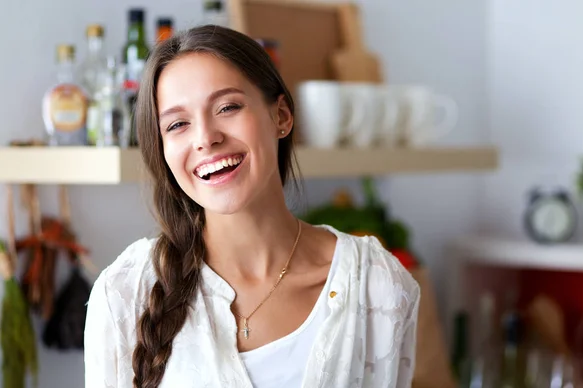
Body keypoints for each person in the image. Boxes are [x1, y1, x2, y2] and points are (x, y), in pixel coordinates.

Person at [83, 24, 420, 388]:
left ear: (281, 116)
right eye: (178, 124)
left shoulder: (376, 286)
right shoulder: (124, 292)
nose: (206, 139)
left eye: (227, 107)